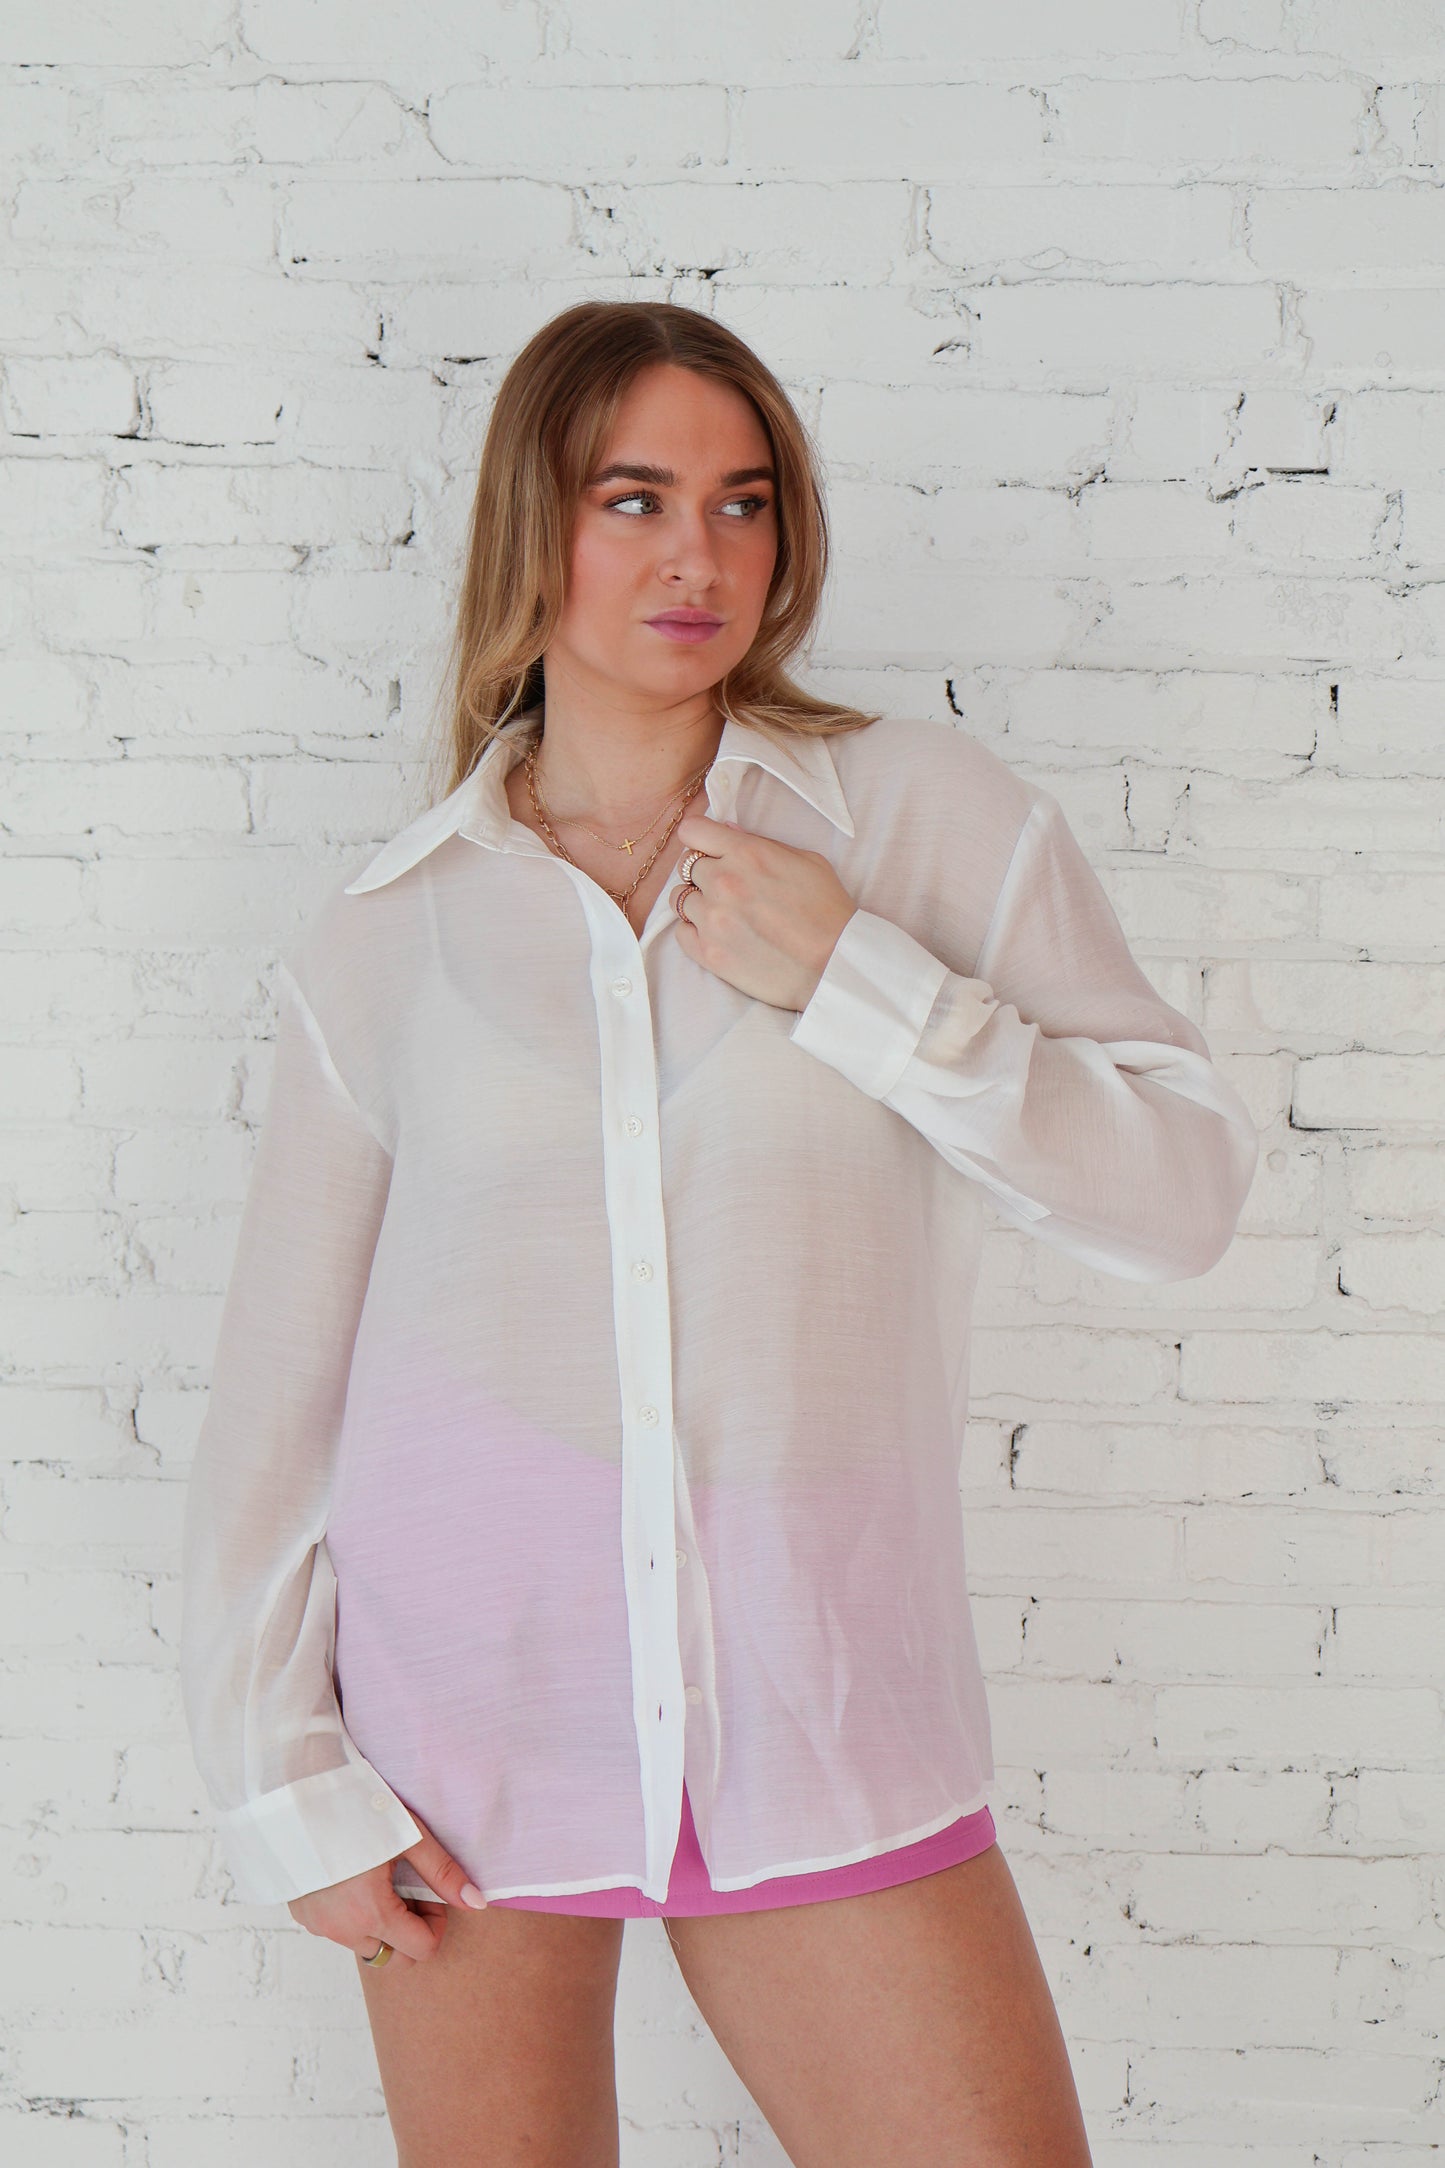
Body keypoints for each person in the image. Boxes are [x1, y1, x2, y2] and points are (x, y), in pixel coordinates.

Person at [180, 298, 1259, 2165]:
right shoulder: (383, 939)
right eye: (637, 498)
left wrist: (857, 974)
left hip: (821, 1712)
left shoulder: (917, 825)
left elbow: (1179, 1197)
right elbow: (280, 1408)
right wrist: (285, 1783)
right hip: (457, 1750)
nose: (701, 556)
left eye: (745, 502)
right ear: (538, 524)